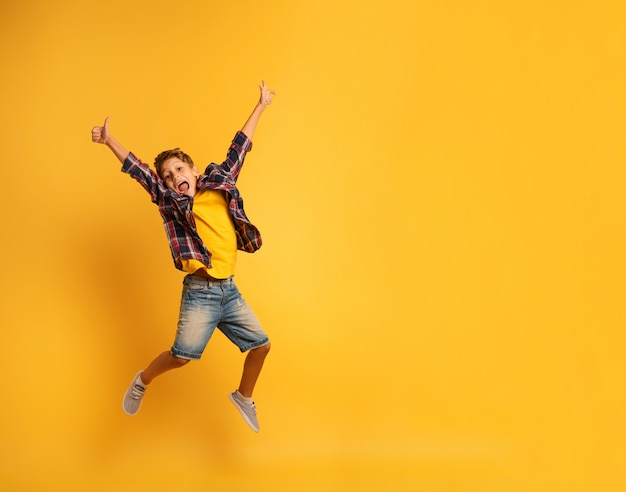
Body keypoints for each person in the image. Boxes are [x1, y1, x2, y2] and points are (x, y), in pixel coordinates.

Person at [91, 81, 276, 432]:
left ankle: (243, 396)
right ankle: (142, 379)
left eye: (179, 169)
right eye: (168, 176)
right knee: (181, 357)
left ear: (193, 170)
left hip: (230, 290)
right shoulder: (171, 202)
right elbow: (140, 171)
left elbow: (241, 147)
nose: (175, 177)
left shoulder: (220, 181)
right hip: (201, 292)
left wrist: (261, 105)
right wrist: (108, 141)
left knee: (262, 346)